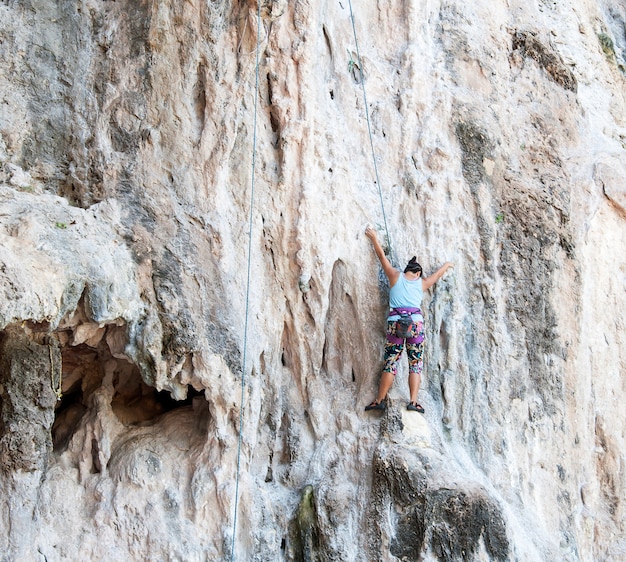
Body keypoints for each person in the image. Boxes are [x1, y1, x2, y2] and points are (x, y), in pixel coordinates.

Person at [364, 226, 453, 413]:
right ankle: (413, 402)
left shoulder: (395, 276)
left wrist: (373, 237)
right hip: (415, 325)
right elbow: (437, 275)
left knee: (391, 362)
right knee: (415, 363)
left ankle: (379, 400)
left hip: (395, 323)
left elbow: (382, 257)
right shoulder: (422, 283)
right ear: (419, 273)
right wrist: (446, 265)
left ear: (406, 270)